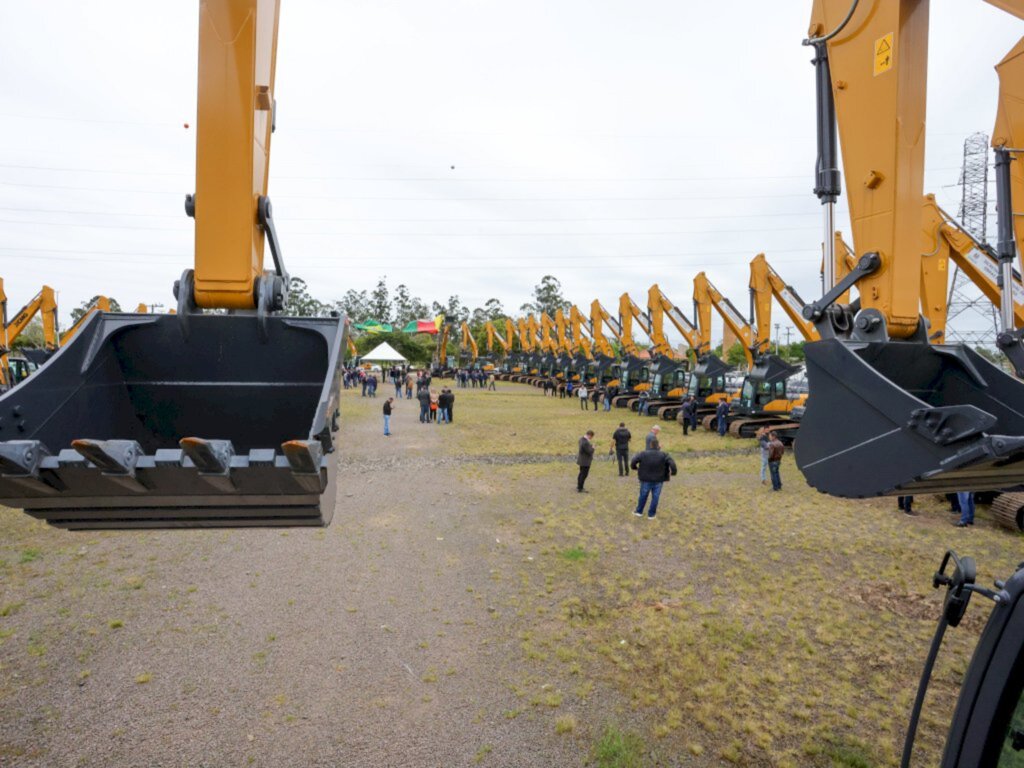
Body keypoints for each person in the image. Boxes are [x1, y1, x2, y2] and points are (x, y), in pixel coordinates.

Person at [629, 438, 677, 519]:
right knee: (655, 497)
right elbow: (672, 463)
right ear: (658, 446)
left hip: (645, 479)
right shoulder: (664, 454)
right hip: (659, 479)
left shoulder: (643, 453)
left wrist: (634, 468)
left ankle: (639, 511)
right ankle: (651, 514)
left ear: (650, 445)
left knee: (643, 495)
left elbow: (633, 461)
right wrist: (673, 472)